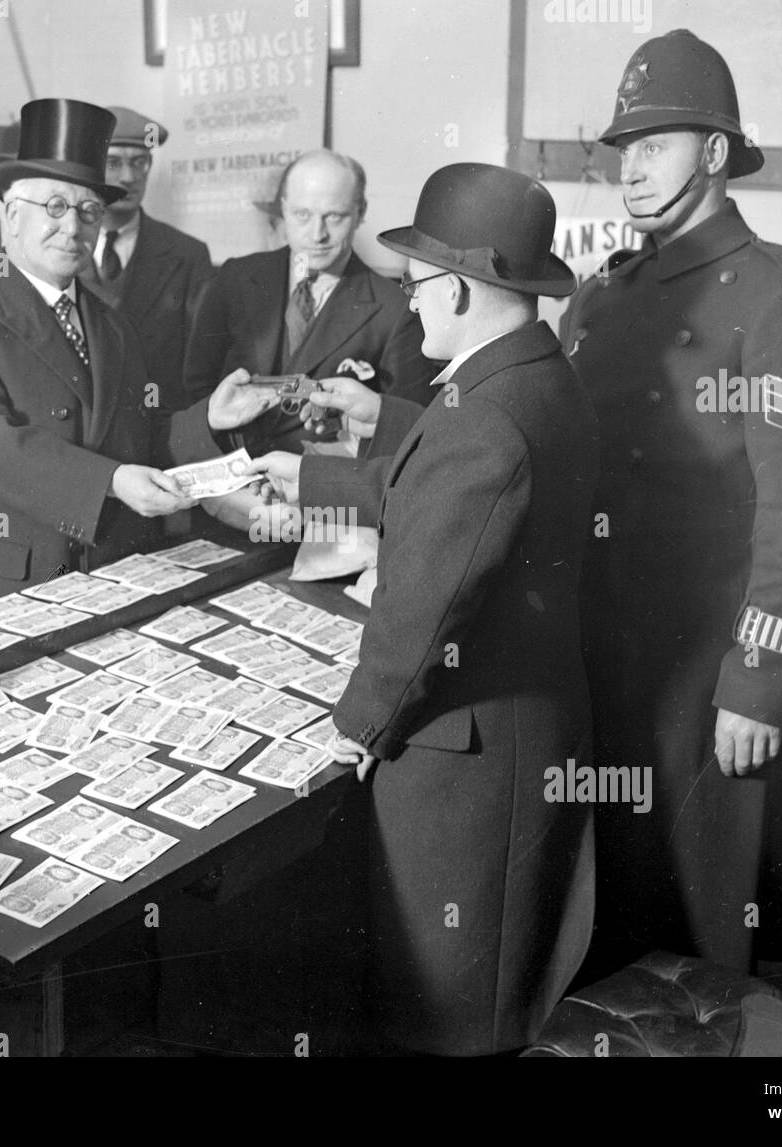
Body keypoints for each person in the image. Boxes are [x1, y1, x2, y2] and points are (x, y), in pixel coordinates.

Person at [251, 163, 599, 1056]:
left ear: (456, 287)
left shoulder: (484, 413)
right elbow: (448, 512)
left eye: (413, 290)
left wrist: (357, 727)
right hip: (525, 732)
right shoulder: (535, 375)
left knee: (448, 1011)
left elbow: (425, 607)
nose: (407, 310)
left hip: (466, 763)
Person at [560, 29, 782, 974]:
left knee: (714, 953)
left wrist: (761, 685)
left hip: (715, 694)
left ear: (718, 153)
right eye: (624, 149)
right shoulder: (601, 298)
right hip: (607, 680)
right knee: (613, 941)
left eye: (656, 144)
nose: (632, 169)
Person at [0, 99, 285, 616]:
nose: (74, 226)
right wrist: (109, 481)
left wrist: (209, 418)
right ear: (12, 216)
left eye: (89, 211)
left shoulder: (112, 325)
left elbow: (141, 438)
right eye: (56, 207)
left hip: (96, 571)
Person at [184, 149, 438, 453]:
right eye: (302, 215)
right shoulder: (236, 277)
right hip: (229, 473)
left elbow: (404, 428)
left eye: (334, 216)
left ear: (361, 212)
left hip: (319, 489)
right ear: (283, 210)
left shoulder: (395, 309)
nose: (317, 235)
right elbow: (196, 388)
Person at [88, 106, 213, 408]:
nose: (128, 177)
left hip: (157, 424)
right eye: (114, 163)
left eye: (139, 163)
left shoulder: (187, 254)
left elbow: (201, 363)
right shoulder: (63, 248)